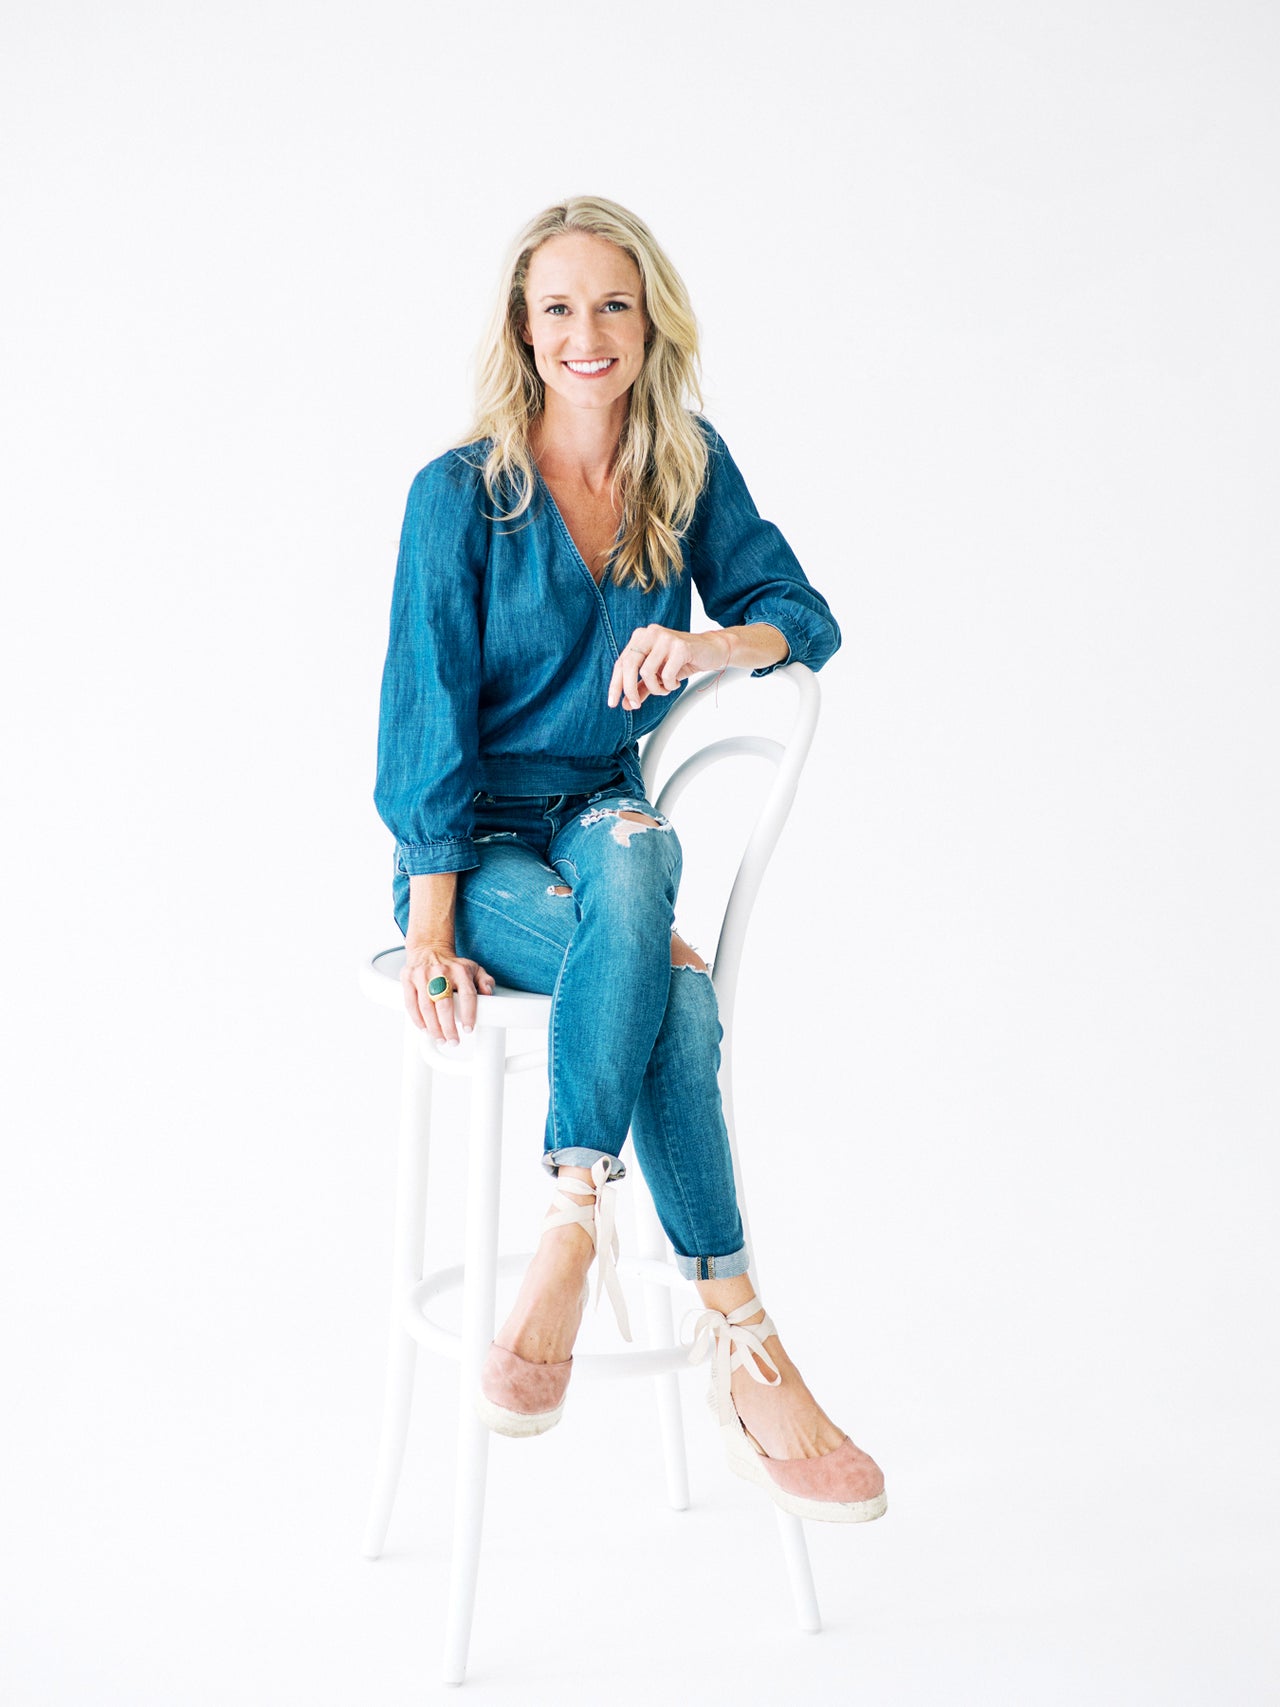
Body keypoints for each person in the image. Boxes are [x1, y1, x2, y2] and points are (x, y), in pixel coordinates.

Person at [374, 195, 885, 1523]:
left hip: (604, 825)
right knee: (679, 991)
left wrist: (710, 645)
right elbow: (424, 719)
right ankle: (743, 1337)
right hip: (475, 852)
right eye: (558, 307)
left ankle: (571, 1224)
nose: (586, 332)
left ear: (651, 320)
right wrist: (429, 929)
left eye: (612, 303)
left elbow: (801, 616)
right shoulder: (456, 495)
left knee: (641, 845)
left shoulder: (687, 466)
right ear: (522, 329)